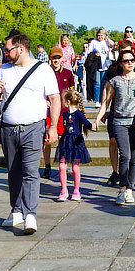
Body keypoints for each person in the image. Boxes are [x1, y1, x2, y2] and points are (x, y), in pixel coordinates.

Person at [0, 32, 60, 235]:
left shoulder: (42, 69)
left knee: (30, 171)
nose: (5, 54)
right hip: (8, 127)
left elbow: (55, 99)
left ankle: (30, 214)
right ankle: (16, 210)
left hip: (33, 126)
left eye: (7, 50)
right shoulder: (4, 70)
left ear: (20, 49)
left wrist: (53, 126)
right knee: (13, 171)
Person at [102, 50, 135, 205]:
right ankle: (122, 189)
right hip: (120, 121)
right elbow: (106, 102)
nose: (130, 63)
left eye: (132, 60)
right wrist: (97, 118)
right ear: (120, 63)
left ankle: (130, 190)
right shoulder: (115, 80)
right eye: (126, 60)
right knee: (125, 156)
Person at [56, 88, 97, 201]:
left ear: (68, 102)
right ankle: (64, 190)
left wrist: (93, 126)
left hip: (76, 142)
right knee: (62, 165)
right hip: (65, 142)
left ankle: (76, 190)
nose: (62, 102)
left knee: (75, 167)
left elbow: (86, 123)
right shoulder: (64, 114)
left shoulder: (78, 113)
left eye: (63, 100)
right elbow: (61, 127)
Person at [43, 47, 75, 180]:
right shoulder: (45, 72)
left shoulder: (67, 73)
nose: (56, 60)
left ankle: (64, 165)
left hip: (64, 112)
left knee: (64, 140)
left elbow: (73, 92)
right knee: (47, 141)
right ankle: (47, 166)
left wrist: (72, 106)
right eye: (54, 57)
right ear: (50, 58)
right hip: (48, 112)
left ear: (62, 59)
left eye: (58, 58)